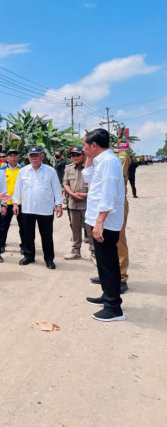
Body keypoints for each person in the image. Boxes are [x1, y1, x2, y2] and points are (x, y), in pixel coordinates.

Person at [82, 129, 126, 322]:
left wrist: (99, 222)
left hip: (105, 222)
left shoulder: (108, 162)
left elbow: (108, 194)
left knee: (108, 263)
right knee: (103, 261)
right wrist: (90, 158)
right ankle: (107, 295)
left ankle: (114, 307)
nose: (82, 149)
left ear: (94, 145)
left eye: (84, 145)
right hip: (99, 220)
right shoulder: (101, 161)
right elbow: (88, 179)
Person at [12, 146, 63, 269]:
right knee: (28, 235)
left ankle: (49, 259)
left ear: (42, 157)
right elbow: (17, 188)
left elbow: (56, 188)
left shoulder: (50, 171)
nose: (34, 158)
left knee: (47, 236)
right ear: (28, 157)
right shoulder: (23, 171)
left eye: (36, 155)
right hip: (28, 208)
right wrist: (15, 203)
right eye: (31, 156)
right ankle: (29, 256)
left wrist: (59, 204)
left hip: (45, 209)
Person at [90, 149, 132, 293]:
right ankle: (107, 277)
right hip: (101, 204)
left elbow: (115, 180)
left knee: (118, 240)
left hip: (114, 204)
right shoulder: (98, 158)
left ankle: (121, 277)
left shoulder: (117, 157)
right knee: (103, 242)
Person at [62, 146, 95, 261]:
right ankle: (76, 250)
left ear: (84, 155)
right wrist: (71, 193)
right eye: (73, 155)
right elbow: (65, 183)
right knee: (75, 228)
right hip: (73, 203)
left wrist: (87, 195)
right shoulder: (69, 168)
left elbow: (97, 185)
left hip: (88, 203)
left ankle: (94, 252)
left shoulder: (91, 167)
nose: (75, 157)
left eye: (78, 155)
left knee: (90, 229)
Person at [0, 148, 25, 255]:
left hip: (21, 203)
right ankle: (1, 245)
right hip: (7, 203)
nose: (13, 157)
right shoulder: (2, 171)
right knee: (3, 226)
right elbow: (0, 188)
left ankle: (24, 246)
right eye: (11, 155)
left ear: (18, 157)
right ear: (6, 158)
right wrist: (2, 204)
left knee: (24, 226)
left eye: (15, 155)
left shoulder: (24, 169)